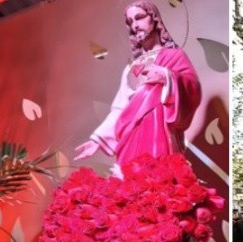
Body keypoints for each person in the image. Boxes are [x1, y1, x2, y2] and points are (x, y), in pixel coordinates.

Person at [75, 1, 202, 172]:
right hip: (131, 137)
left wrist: (167, 76)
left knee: (158, 183)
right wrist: (97, 140)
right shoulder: (131, 68)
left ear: (154, 19)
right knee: (131, 186)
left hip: (159, 134)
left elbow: (193, 89)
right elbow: (120, 109)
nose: (135, 25)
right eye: (130, 22)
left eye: (139, 18)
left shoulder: (174, 56)